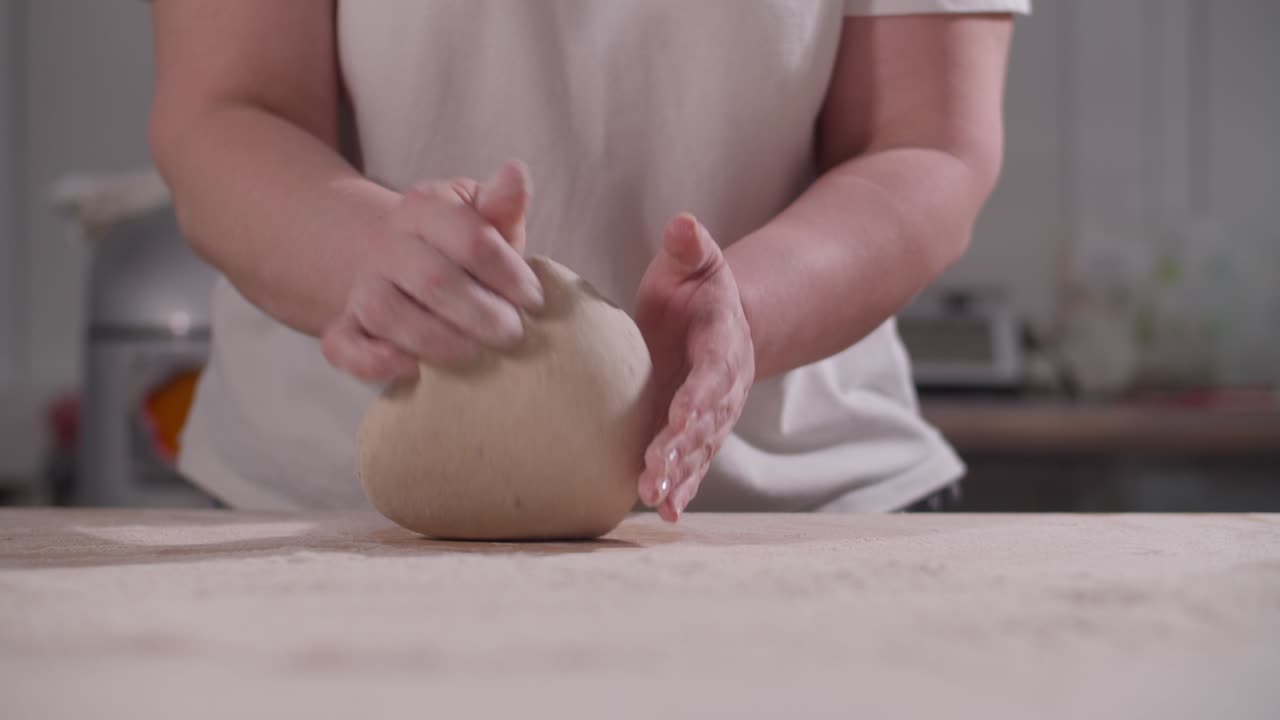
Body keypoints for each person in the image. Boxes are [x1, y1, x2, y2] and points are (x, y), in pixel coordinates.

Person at [149, 0, 1027, 520]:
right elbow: (227, 110)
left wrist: (750, 312)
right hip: (323, 515)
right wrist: (360, 253)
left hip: (792, 512)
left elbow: (925, 145)